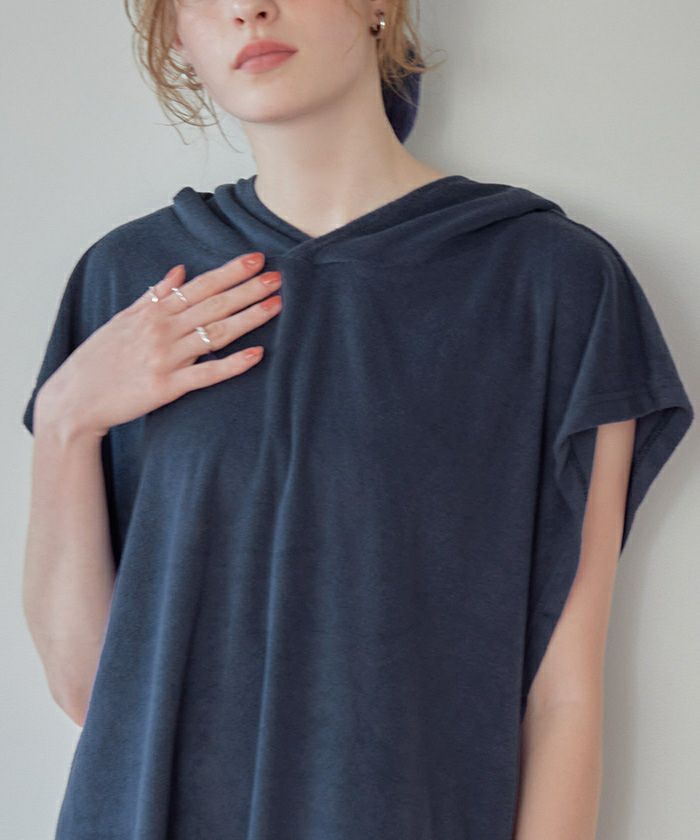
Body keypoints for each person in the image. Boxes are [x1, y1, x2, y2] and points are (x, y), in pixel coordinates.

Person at [21, 2, 694, 839]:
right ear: (179, 42)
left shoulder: (550, 283)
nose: (248, 8)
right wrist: (67, 420)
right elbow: (93, 693)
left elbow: (563, 695)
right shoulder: (132, 284)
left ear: (380, 5)